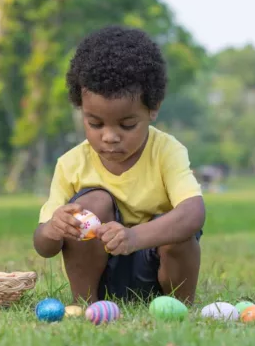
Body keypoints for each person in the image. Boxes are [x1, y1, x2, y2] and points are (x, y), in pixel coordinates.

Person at [32, 26, 205, 306]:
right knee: (93, 202)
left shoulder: (166, 151)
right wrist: (53, 229)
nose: (110, 137)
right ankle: (85, 304)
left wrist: (134, 237)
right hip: (103, 278)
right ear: (81, 109)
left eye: (127, 125)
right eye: (95, 124)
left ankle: (180, 305)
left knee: (179, 232)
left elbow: (193, 213)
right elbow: (43, 246)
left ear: (153, 108)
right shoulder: (71, 164)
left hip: (157, 271)